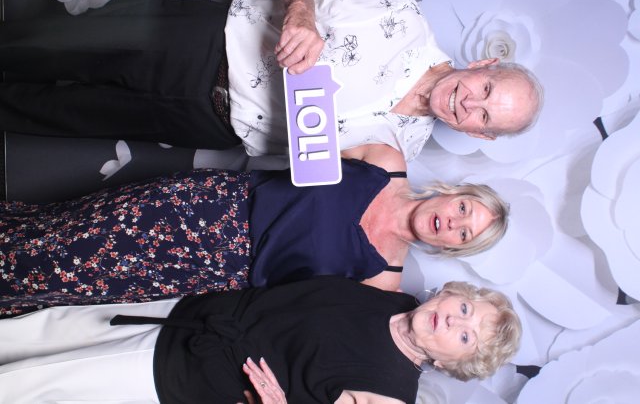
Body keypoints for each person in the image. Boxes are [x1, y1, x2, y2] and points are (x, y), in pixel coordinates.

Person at [0, 0, 543, 160]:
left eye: (485, 116)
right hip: (201, 44)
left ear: (482, 136)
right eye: (486, 88)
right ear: (484, 63)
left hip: (207, 124)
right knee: (39, 46)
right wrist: (302, 10)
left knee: (58, 114)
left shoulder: (402, 152)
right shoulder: (402, 15)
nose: (470, 102)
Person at [0, 145, 509, 317]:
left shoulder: (384, 281)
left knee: (77, 278)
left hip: (213, 268)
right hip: (208, 202)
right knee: (66, 231)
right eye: (465, 208)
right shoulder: (384, 158)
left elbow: (304, 310)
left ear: (452, 248)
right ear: (453, 192)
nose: (454, 222)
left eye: (465, 234)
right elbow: (299, 126)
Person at [0, 276, 522, 403]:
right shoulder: (394, 300)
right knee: (33, 332)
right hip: (179, 316)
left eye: (465, 336)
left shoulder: (389, 393)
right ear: (452, 293)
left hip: (176, 375)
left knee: (26, 385)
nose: (451, 321)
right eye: (464, 309)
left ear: (451, 364)